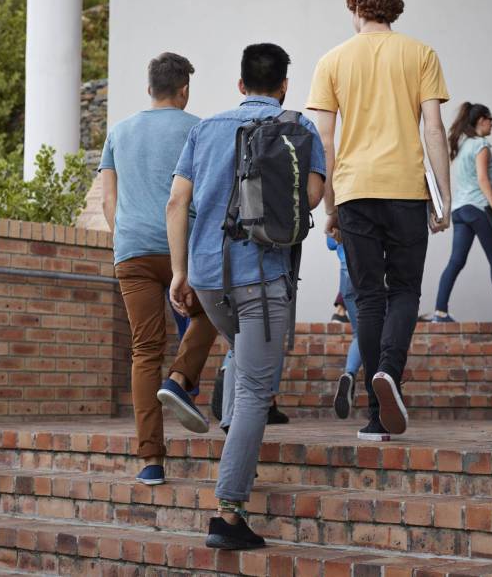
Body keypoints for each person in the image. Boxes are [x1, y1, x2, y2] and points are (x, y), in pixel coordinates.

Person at [168, 43, 325, 550]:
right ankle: (228, 514)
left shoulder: (204, 129)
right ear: (284, 86)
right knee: (258, 388)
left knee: (243, 361)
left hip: (209, 277)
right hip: (263, 274)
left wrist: (179, 271)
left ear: (240, 86)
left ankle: (240, 442)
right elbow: (314, 197)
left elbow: (177, 201)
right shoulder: (300, 130)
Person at [308, 0, 451, 440]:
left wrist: (330, 203)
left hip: (354, 192)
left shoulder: (332, 60)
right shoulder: (421, 54)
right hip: (407, 189)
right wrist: (443, 195)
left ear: (355, 8)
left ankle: (374, 415)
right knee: (405, 289)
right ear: (394, 8)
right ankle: (390, 371)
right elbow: (433, 129)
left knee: (367, 298)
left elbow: (324, 142)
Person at [99, 52, 218, 487]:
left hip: (131, 250)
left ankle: (151, 460)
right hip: (181, 248)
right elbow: (202, 195)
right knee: (209, 314)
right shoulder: (199, 129)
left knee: (144, 349)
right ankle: (181, 377)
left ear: (150, 87)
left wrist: (126, 237)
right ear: (183, 89)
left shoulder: (120, 131)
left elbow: (108, 201)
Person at [429, 103, 492, 323]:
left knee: (456, 261)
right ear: (482, 119)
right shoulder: (481, 145)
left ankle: (440, 311)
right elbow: (483, 180)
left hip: (460, 211)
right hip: (478, 208)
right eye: (491, 119)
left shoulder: (462, 146)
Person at [327, 235, 362, 419]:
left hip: (346, 277)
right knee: (383, 333)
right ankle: (385, 391)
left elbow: (331, 243)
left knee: (360, 334)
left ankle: (349, 374)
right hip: (372, 272)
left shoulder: (338, 208)